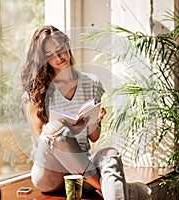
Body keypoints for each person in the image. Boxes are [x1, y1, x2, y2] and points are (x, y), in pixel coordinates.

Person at [21, 25, 129, 200]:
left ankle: (117, 195)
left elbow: (94, 137)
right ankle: (107, 188)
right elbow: (39, 138)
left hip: (81, 170)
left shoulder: (91, 83)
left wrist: (94, 121)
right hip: (50, 174)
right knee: (55, 129)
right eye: (50, 55)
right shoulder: (36, 90)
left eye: (60, 49)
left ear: (67, 45)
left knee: (111, 155)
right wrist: (67, 126)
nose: (58, 57)